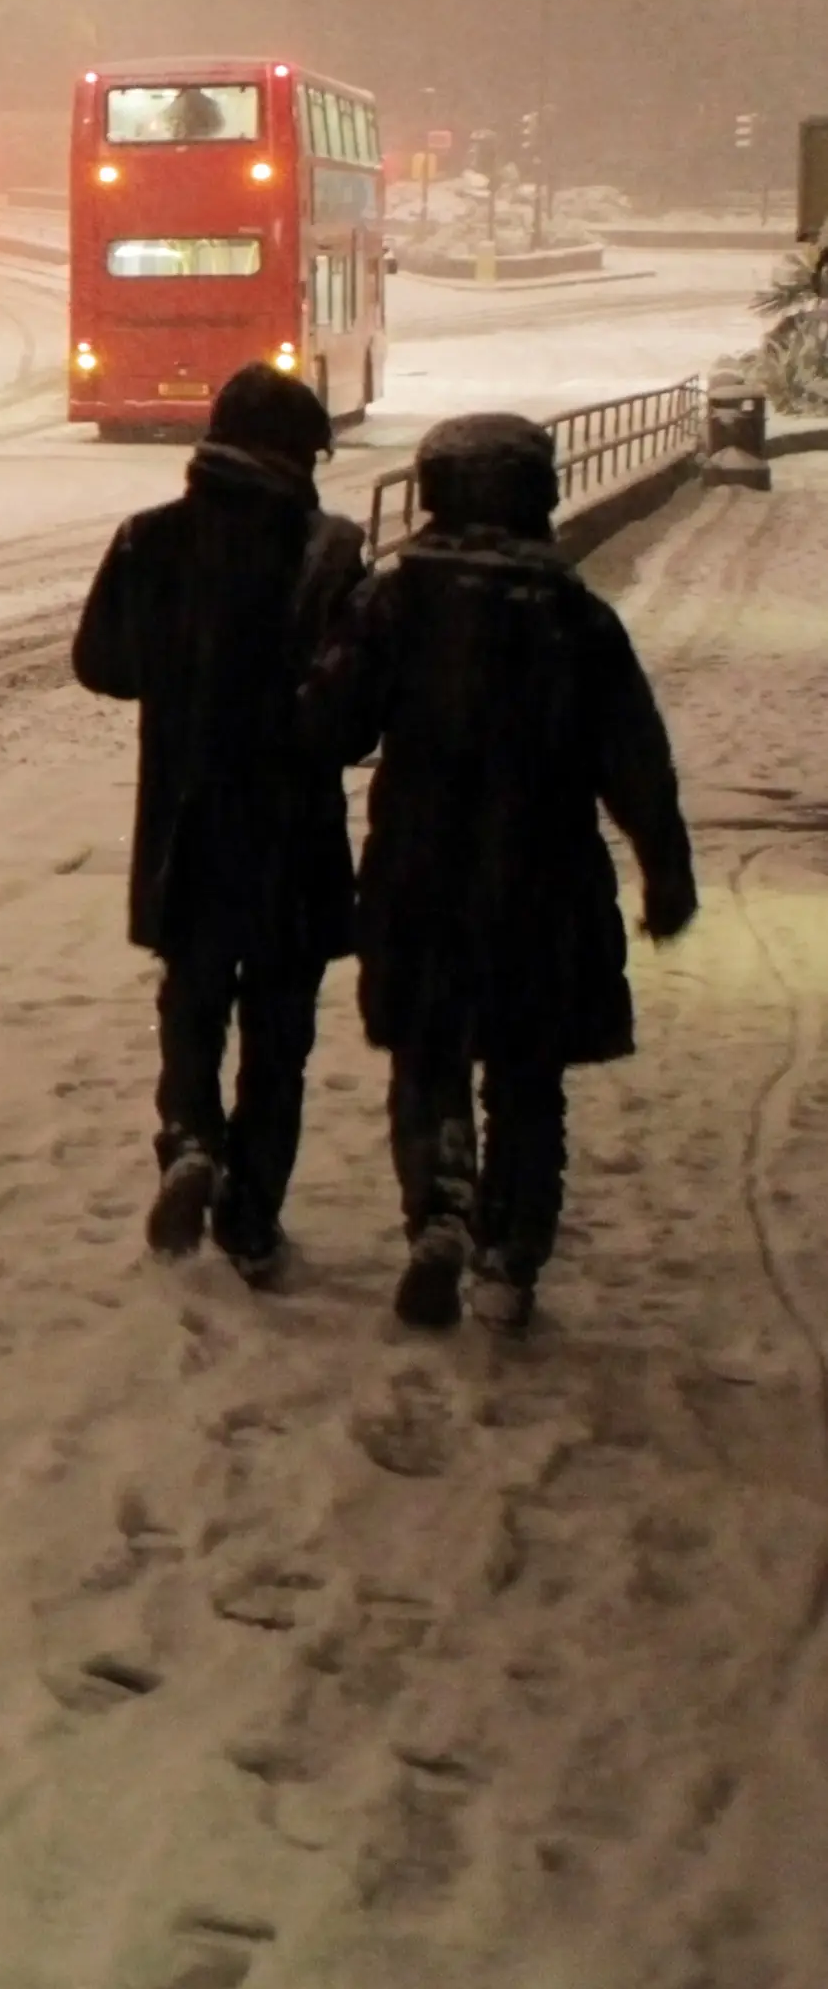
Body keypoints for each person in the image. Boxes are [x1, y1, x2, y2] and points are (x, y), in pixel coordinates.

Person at [302, 411, 694, 1332]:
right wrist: (664, 870)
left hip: (421, 867)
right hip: (545, 876)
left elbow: (331, 727)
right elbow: (635, 755)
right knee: (527, 1073)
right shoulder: (574, 616)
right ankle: (510, 1257)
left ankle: (440, 1208)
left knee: (429, 1053)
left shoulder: (395, 602)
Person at [72, 363, 363, 1283]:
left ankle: (190, 1137)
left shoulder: (148, 540)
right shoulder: (328, 551)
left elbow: (102, 665)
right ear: (293, 454)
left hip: (186, 825)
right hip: (292, 832)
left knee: (191, 1001)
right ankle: (251, 1219)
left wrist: (179, 671)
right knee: (280, 1032)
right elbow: (354, 711)